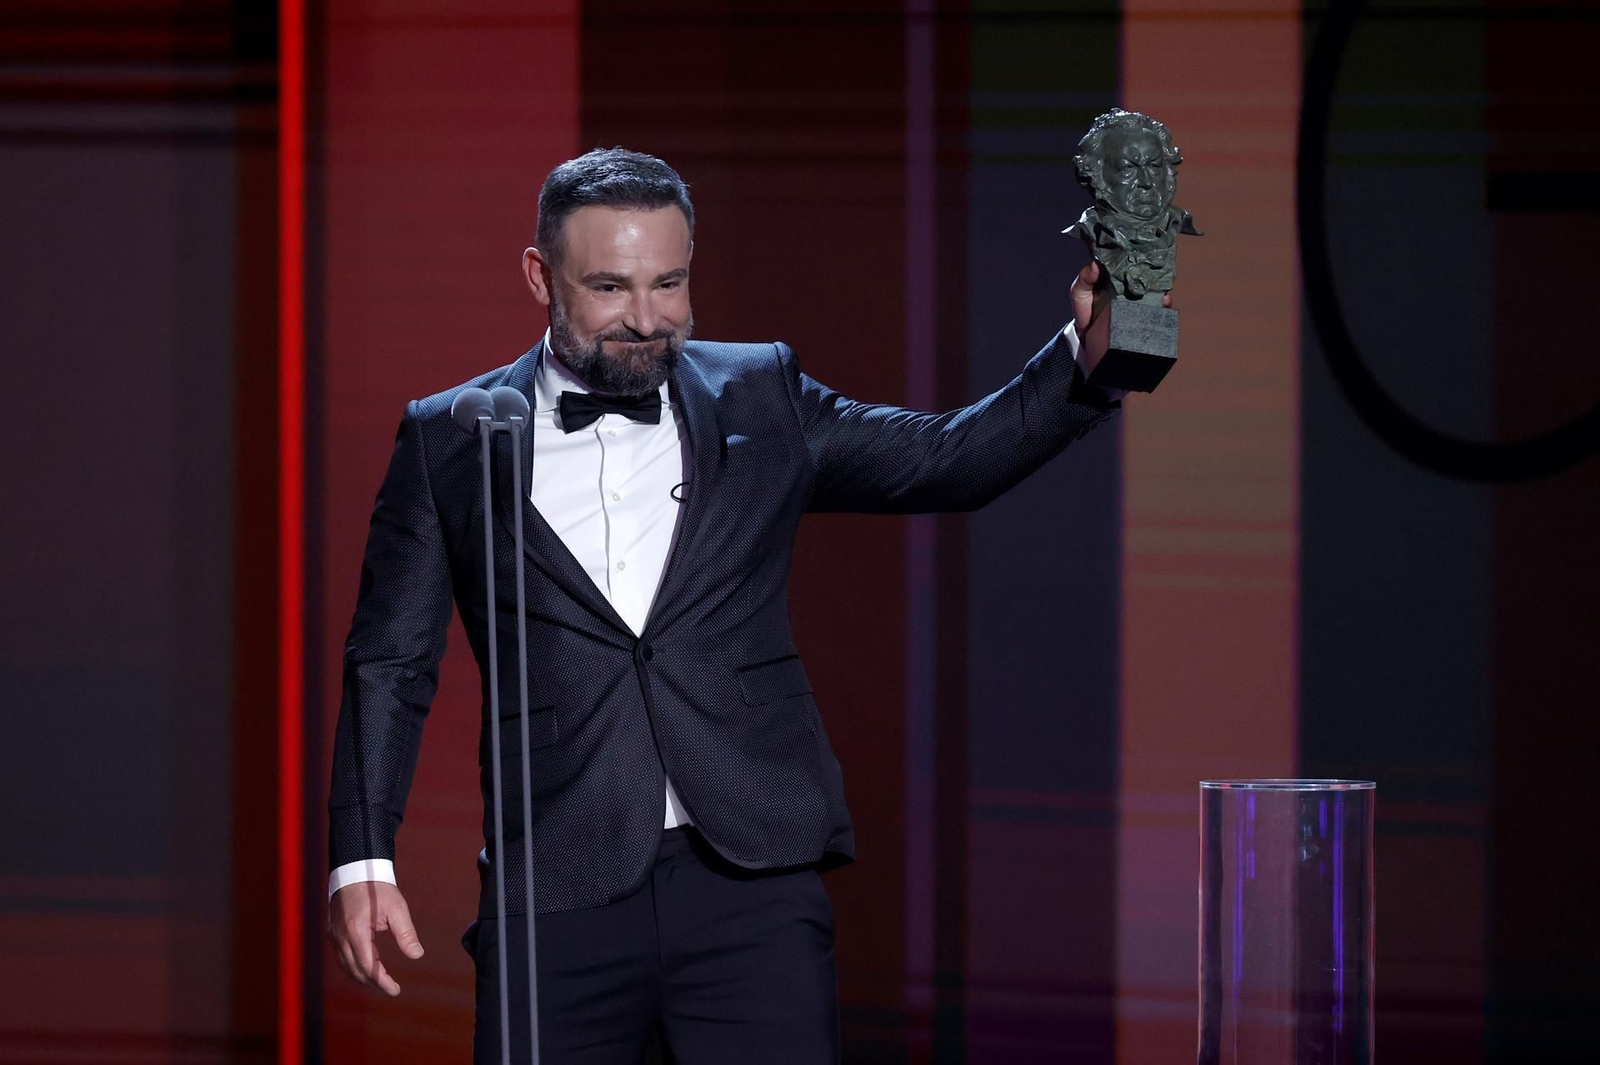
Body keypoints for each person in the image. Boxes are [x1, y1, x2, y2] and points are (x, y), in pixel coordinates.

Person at [326, 147, 1159, 1064]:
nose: (646, 319)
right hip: (554, 889)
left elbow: (945, 458)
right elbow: (390, 663)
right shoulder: (453, 434)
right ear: (540, 276)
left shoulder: (760, 392)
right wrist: (363, 857)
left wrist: (1092, 355)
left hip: (749, 882)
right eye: (608, 287)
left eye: (669, 283)